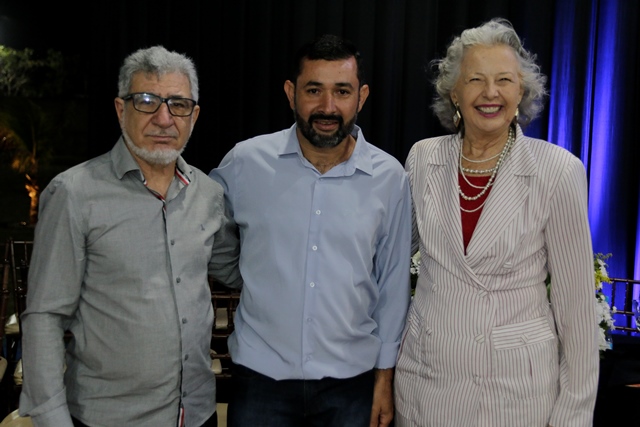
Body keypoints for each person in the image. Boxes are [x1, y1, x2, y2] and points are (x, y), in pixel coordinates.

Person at [18, 45, 242, 427]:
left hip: (196, 413)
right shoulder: (73, 193)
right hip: (108, 417)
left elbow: (241, 272)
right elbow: (45, 317)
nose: (164, 118)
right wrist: (52, 419)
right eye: (147, 101)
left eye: (178, 104)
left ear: (195, 115)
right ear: (121, 110)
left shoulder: (209, 195)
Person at [394, 18, 599, 427]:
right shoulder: (422, 158)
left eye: (504, 79)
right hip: (425, 385)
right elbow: (393, 260)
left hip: (516, 396)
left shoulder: (557, 170)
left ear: (521, 91)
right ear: (454, 92)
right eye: (475, 80)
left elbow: (576, 309)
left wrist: (573, 415)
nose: (490, 93)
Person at [209, 34, 411, 427]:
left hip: (352, 386)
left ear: (362, 96)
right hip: (260, 382)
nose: (327, 107)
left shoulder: (389, 178)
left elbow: (392, 285)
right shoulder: (245, 163)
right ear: (290, 92)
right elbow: (209, 236)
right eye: (314, 90)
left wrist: (384, 378)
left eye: (342, 91)